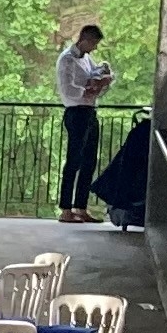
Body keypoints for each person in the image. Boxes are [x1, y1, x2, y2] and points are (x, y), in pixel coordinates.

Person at [54, 22, 114, 222]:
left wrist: (103, 79)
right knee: (74, 160)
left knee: (89, 160)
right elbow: (68, 89)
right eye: (93, 43)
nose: (94, 48)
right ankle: (65, 208)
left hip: (89, 111)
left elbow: (94, 75)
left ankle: (80, 206)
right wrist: (89, 89)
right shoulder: (66, 60)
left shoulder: (87, 59)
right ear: (84, 40)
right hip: (76, 112)